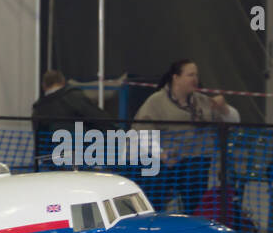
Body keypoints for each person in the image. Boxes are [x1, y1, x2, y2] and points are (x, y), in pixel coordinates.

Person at [133, 59, 239, 214]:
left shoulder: (203, 101)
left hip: (196, 161)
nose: (195, 79)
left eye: (196, 75)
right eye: (190, 75)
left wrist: (224, 109)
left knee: (195, 195)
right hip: (165, 161)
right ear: (176, 77)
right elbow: (141, 132)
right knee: (155, 192)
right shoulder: (156, 101)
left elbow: (234, 121)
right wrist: (160, 154)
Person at [30, 70, 114, 169]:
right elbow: (99, 118)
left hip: (52, 159)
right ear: (63, 82)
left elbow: (39, 139)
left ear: (44, 85)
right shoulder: (75, 97)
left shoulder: (38, 109)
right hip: (85, 154)